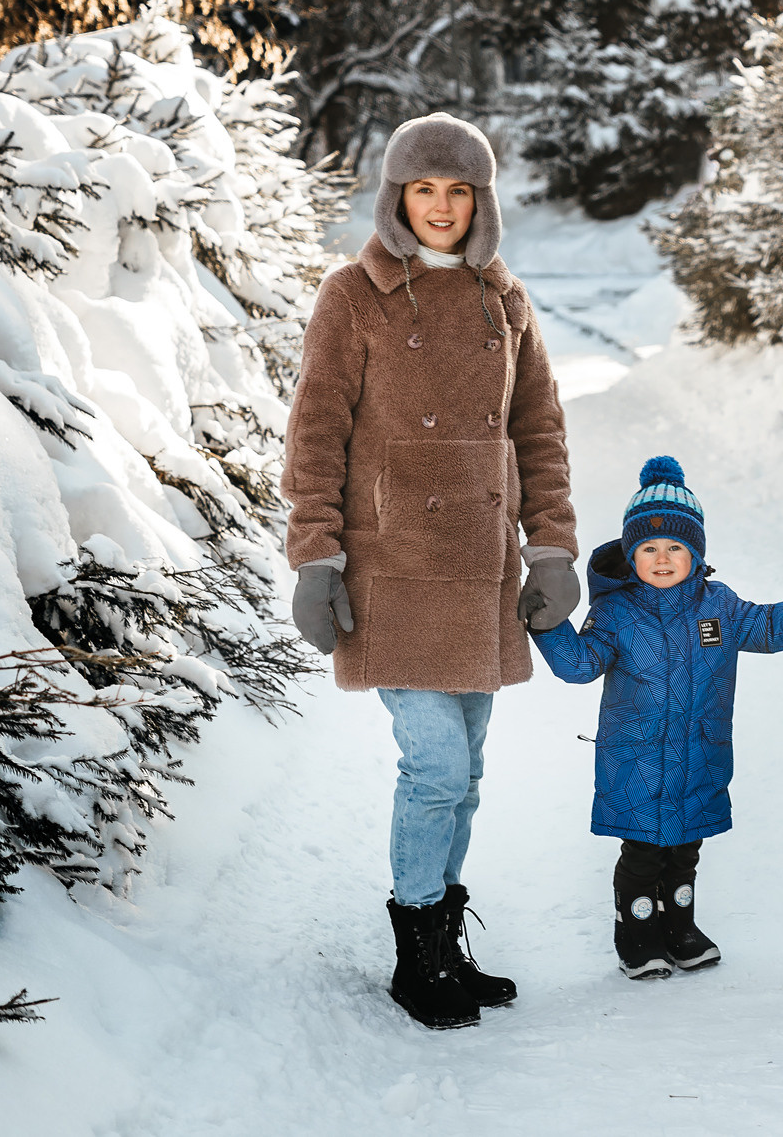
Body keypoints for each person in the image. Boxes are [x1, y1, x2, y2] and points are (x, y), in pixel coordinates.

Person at [281, 111, 584, 1031]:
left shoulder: (505, 299)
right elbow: (316, 431)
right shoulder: (354, 294)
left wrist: (554, 546)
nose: (442, 207)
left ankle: (446, 938)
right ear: (397, 195)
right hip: (391, 570)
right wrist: (315, 556)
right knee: (437, 765)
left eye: (459, 190)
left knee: (471, 770)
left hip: (481, 570)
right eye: (425, 189)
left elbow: (539, 431)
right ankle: (417, 950)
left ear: (480, 200)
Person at [534, 456, 783, 978]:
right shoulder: (617, 611)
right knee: (644, 854)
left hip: (700, 753)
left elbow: (774, 628)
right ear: (631, 557)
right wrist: (547, 623)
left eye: (676, 547)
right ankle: (637, 935)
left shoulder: (718, 606)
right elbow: (580, 667)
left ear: (696, 553)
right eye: (648, 548)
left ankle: (680, 929)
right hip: (636, 761)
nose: (663, 558)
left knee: (684, 852)